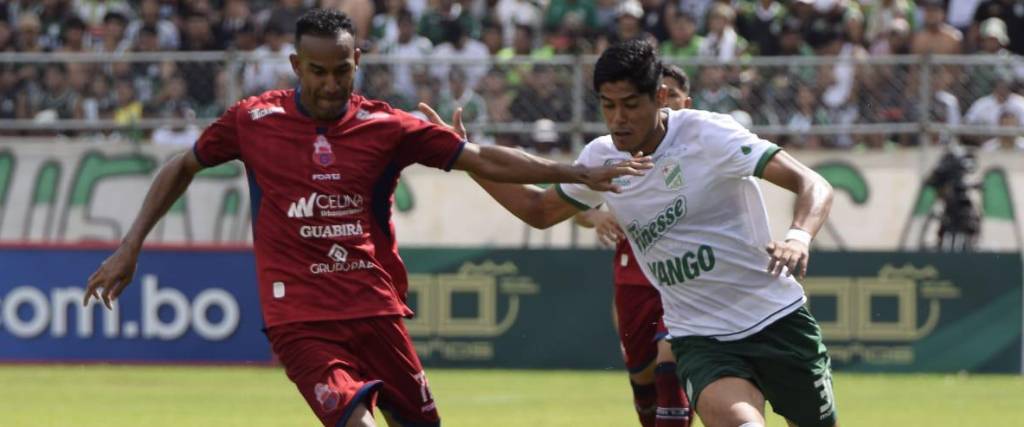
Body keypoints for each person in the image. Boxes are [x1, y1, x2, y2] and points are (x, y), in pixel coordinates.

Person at [82, 10, 650, 427]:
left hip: (376, 308)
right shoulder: (252, 120)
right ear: (295, 65)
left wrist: (576, 172)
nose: (330, 84)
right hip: (299, 316)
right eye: (318, 71)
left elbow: (480, 157)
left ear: (359, 62)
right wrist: (132, 245)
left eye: (341, 71)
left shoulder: (387, 126)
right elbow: (182, 166)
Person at [421, 40, 837, 427]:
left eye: (630, 105)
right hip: (702, 339)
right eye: (608, 106)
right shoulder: (602, 157)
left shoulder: (709, 135)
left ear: (659, 98)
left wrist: (799, 236)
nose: (618, 119)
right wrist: (466, 159)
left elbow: (812, 183)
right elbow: (538, 210)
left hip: (778, 321)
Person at [573, 64, 692, 427]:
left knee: (670, 363)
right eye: (662, 94)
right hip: (633, 278)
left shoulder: (704, 146)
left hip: (687, 279)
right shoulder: (617, 154)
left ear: (685, 102)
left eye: (673, 96)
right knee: (643, 380)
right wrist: (596, 218)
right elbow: (570, 206)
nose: (666, 102)